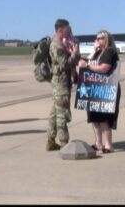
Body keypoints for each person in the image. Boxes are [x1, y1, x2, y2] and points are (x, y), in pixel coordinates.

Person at [78, 30, 120, 153]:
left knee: (103, 118)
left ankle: (108, 145)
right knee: (94, 118)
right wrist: (93, 51)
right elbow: (88, 61)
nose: (97, 40)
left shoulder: (110, 51)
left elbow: (104, 68)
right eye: (96, 38)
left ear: (107, 39)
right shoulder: (98, 52)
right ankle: (98, 143)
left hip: (106, 88)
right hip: (94, 88)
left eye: (100, 38)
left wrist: (87, 66)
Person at [46, 19, 80, 151]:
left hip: (60, 82)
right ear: (60, 30)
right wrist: (76, 55)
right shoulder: (57, 46)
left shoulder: (61, 43)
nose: (69, 31)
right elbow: (65, 64)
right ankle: (64, 142)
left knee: (55, 113)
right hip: (61, 83)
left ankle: (50, 140)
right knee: (62, 114)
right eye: (67, 29)